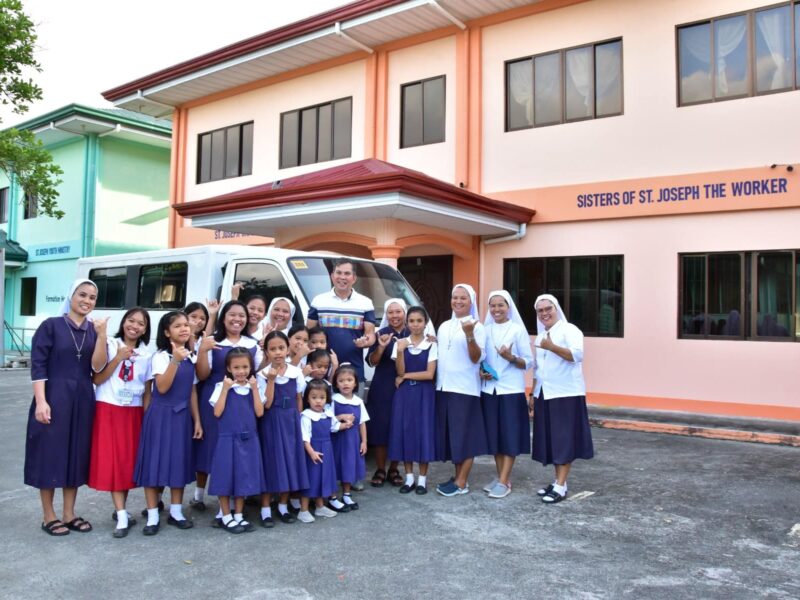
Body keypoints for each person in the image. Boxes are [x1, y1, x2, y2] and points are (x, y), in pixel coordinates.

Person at [25, 278, 109, 536]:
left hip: (83, 399)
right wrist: (41, 401)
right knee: (50, 454)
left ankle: (69, 513)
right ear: (71, 296)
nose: (87, 301)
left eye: (92, 297)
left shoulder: (94, 331)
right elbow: (38, 365)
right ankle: (48, 515)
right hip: (54, 397)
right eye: (82, 295)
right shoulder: (51, 326)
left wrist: (103, 334)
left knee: (75, 454)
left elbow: (97, 367)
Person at [133, 311, 203, 535]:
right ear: (166, 332)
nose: (184, 329)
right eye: (177, 326)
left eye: (186, 325)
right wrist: (175, 360)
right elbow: (161, 387)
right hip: (161, 416)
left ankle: (175, 511)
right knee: (154, 464)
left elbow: (192, 391)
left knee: (178, 464)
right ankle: (153, 514)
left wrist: (197, 421)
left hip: (182, 418)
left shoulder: (191, 356)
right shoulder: (162, 356)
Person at [88, 307, 153, 538]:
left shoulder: (147, 354)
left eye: (141, 323)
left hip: (133, 412)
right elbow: (97, 377)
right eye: (131, 321)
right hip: (108, 408)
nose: (134, 326)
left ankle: (122, 510)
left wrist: (147, 418)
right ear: (124, 322)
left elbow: (147, 390)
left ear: (146, 329)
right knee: (113, 461)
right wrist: (118, 357)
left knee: (126, 463)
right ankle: (122, 514)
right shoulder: (110, 344)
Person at [193, 300, 260, 514]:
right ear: (224, 317)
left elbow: (258, 372)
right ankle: (199, 494)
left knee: (234, 449)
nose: (237, 319)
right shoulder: (213, 341)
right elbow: (202, 374)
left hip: (241, 402)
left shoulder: (252, 344)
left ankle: (230, 502)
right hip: (214, 398)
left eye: (242, 315)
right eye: (232, 314)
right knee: (209, 445)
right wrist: (202, 351)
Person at [530, 294, 594, 504]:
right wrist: (533, 394)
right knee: (552, 440)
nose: (544, 313)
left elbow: (577, 355)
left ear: (556, 309)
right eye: (540, 311)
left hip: (566, 393)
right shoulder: (541, 336)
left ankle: (560, 486)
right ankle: (559, 482)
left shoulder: (570, 330)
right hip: (545, 393)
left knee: (563, 440)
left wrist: (552, 347)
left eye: (548, 309)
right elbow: (539, 370)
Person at [434, 284, 488, 497]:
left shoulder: (478, 326)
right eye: (454, 297)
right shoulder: (444, 325)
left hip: (464, 389)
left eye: (462, 298)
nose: (457, 301)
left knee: (465, 436)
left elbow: (476, 357)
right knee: (453, 436)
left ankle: (462, 482)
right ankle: (457, 477)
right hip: (444, 387)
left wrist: (469, 334)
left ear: (471, 301)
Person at [480, 291, 533, 499]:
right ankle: (502, 477)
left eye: (500, 305)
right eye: (492, 305)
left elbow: (528, 362)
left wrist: (510, 357)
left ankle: (504, 481)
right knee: (494, 436)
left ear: (508, 307)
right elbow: (480, 360)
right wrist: (481, 371)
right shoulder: (484, 330)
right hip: (489, 390)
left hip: (510, 390)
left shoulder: (517, 330)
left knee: (509, 436)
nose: (496, 309)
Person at [208, 347, 265, 534]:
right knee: (225, 477)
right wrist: (225, 388)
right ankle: (226, 516)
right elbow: (217, 412)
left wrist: (255, 389)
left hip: (248, 440)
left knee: (243, 477)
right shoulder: (221, 387)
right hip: (227, 440)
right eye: (237, 367)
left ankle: (239, 514)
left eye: (245, 367)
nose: (241, 371)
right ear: (229, 368)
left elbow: (259, 412)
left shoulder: (253, 388)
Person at [258, 330, 308, 527]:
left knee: (290, 460)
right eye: (273, 349)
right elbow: (266, 404)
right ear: (267, 352)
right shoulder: (262, 374)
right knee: (271, 461)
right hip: (272, 420)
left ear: (288, 349)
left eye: (281, 348)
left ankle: (283, 505)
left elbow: (298, 398)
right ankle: (265, 509)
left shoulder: (295, 372)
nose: (278, 352)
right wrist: (270, 379)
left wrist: (299, 421)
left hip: (291, 421)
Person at [388, 306, 438, 495]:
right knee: (406, 431)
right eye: (412, 321)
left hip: (425, 394)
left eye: (419, 320)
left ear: (425, 323)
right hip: (405, 395)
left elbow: (429, 374)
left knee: (424, 432)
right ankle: (409, 478)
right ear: (407, 323)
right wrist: (400, 351)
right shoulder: (400, 343)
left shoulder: (432, 344)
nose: (415, 324)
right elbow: (398, 371)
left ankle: (422, 480)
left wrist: (407, 376)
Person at [306, 258, 376, 384]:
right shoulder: (318, 301)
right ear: (332, 276)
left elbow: (370, 335)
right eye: (338, 273)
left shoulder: (365, 303)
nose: (342, 277)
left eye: (347, 273)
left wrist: (365, 342)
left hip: (353, 372)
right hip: (322, 372)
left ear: (354, 278)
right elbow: (308, 333)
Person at [366, 298, 408, 488]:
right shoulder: (380, 333)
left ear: (404, 313)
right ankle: (381, 468)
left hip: (404, 385)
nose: (394, 316)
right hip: (382, 386)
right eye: (390, 312)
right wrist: (381, 346)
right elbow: (372, 362)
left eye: (398, 311)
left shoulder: (413, 333)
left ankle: (394, 469)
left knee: (398, 427)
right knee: (381, 427)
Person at [297, 379, 350, 523]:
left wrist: (346, 425)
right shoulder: (306, 416)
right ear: (307, 398)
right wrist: (311, 452)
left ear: (327, 398)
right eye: (314, 397)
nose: (318, 401)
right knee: (311, 479)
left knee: (323, 478)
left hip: (326, 450)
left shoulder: (328, 413)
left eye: (322, 397)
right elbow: (304, 438)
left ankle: (320, 507)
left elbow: (334, 427)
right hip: (313, 452)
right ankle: (304, 510)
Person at [331, 364, 369, 511]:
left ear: (355, 383)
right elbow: (328, 419)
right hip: (337, 441)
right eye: (341, 380)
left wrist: (364, 441)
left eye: (349, 380)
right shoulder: (334, 400)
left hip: (353, 441)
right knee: (335, 467)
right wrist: (339, 417)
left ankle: (346, 494)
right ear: (336, 383)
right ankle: (332, 496)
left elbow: (362, 423)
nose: (345, 383)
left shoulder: (358, 402)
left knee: (348, 467)